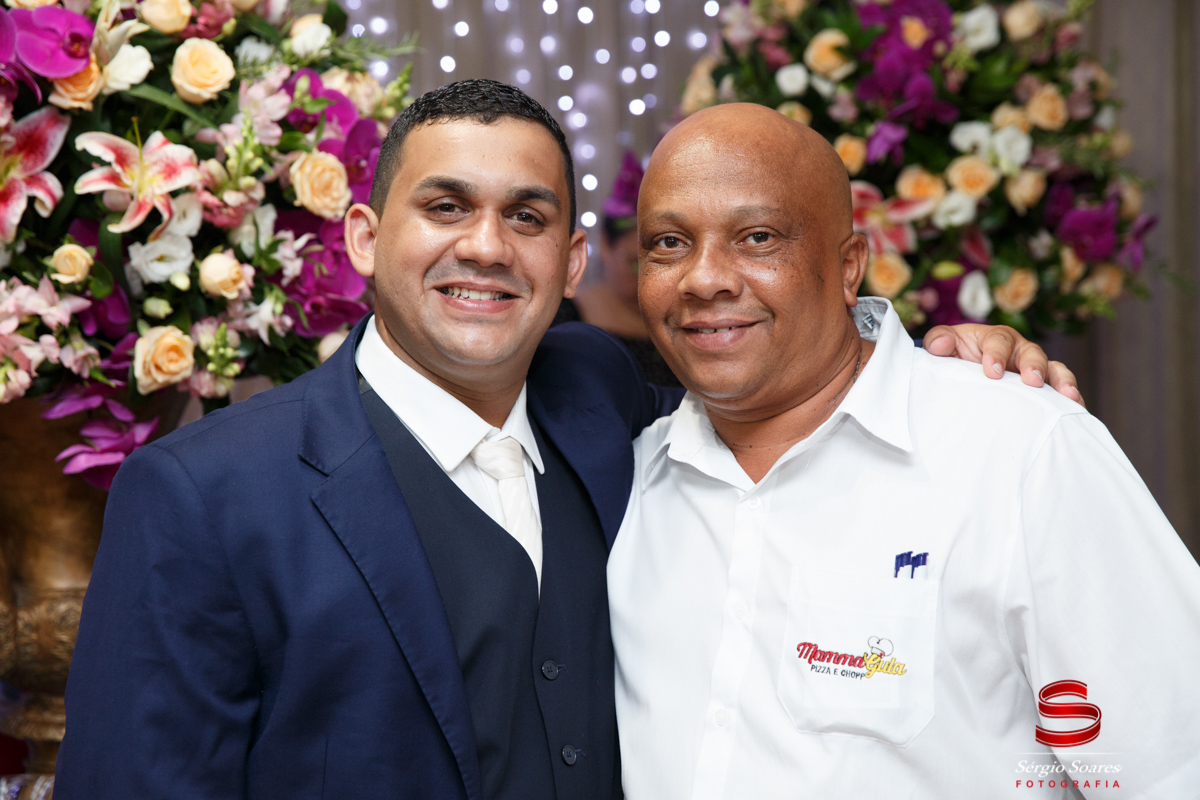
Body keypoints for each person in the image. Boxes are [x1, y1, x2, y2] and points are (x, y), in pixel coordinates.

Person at [56, 81, 1074, 800]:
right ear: (365, 237)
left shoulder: (604, 399)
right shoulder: (200, 493)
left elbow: (775, 360)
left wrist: (926, 356)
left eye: (527, 216)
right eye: (445, 206)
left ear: (574, 258)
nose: (486, 246)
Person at [608, 103, 1200, 799]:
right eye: (669, 243)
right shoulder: (625, 477)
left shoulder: (1018, 449)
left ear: (849, 266)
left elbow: (1170, 767)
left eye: (757, 237)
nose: (704, 278)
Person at [554, 151, 681, 386]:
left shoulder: (687, 317)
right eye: (634, 262)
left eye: (661, 259)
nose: (646, 275)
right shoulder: (563, 317)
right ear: (605, 245)